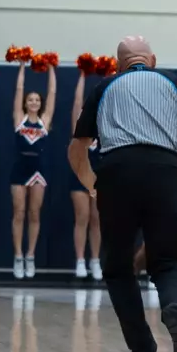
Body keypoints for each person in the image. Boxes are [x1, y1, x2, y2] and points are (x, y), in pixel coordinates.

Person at [68, 37, 177, 352]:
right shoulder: (174, 82)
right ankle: (175, 307)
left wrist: (93, 185)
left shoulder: (104, 87)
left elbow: (77, 148)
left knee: (118, 268)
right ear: (152, 60)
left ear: (118, 65)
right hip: (166, 172)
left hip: (117, 172)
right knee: (168, 262)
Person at [8, 60, 57, 279]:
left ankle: (30, 255)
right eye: (30, 100)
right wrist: (22, 66)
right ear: (25, 103)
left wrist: (52, 67)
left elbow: (52, 93)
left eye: (37, 100)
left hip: (38, 170)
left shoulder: (45, 121)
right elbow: (19, 89)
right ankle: (18, 255)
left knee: (35, 213)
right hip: (20, 168)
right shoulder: (20, 119)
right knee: (19, 213)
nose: (34, 102)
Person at [69, 72, 102, 282]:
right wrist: (82, 73)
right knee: (82, 217)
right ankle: (80, 260)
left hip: (100, 178)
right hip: (80, 177)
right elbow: (76, 104)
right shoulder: (79, 128)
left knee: (97, 219)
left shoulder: (105, 128)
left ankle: (95, 260)